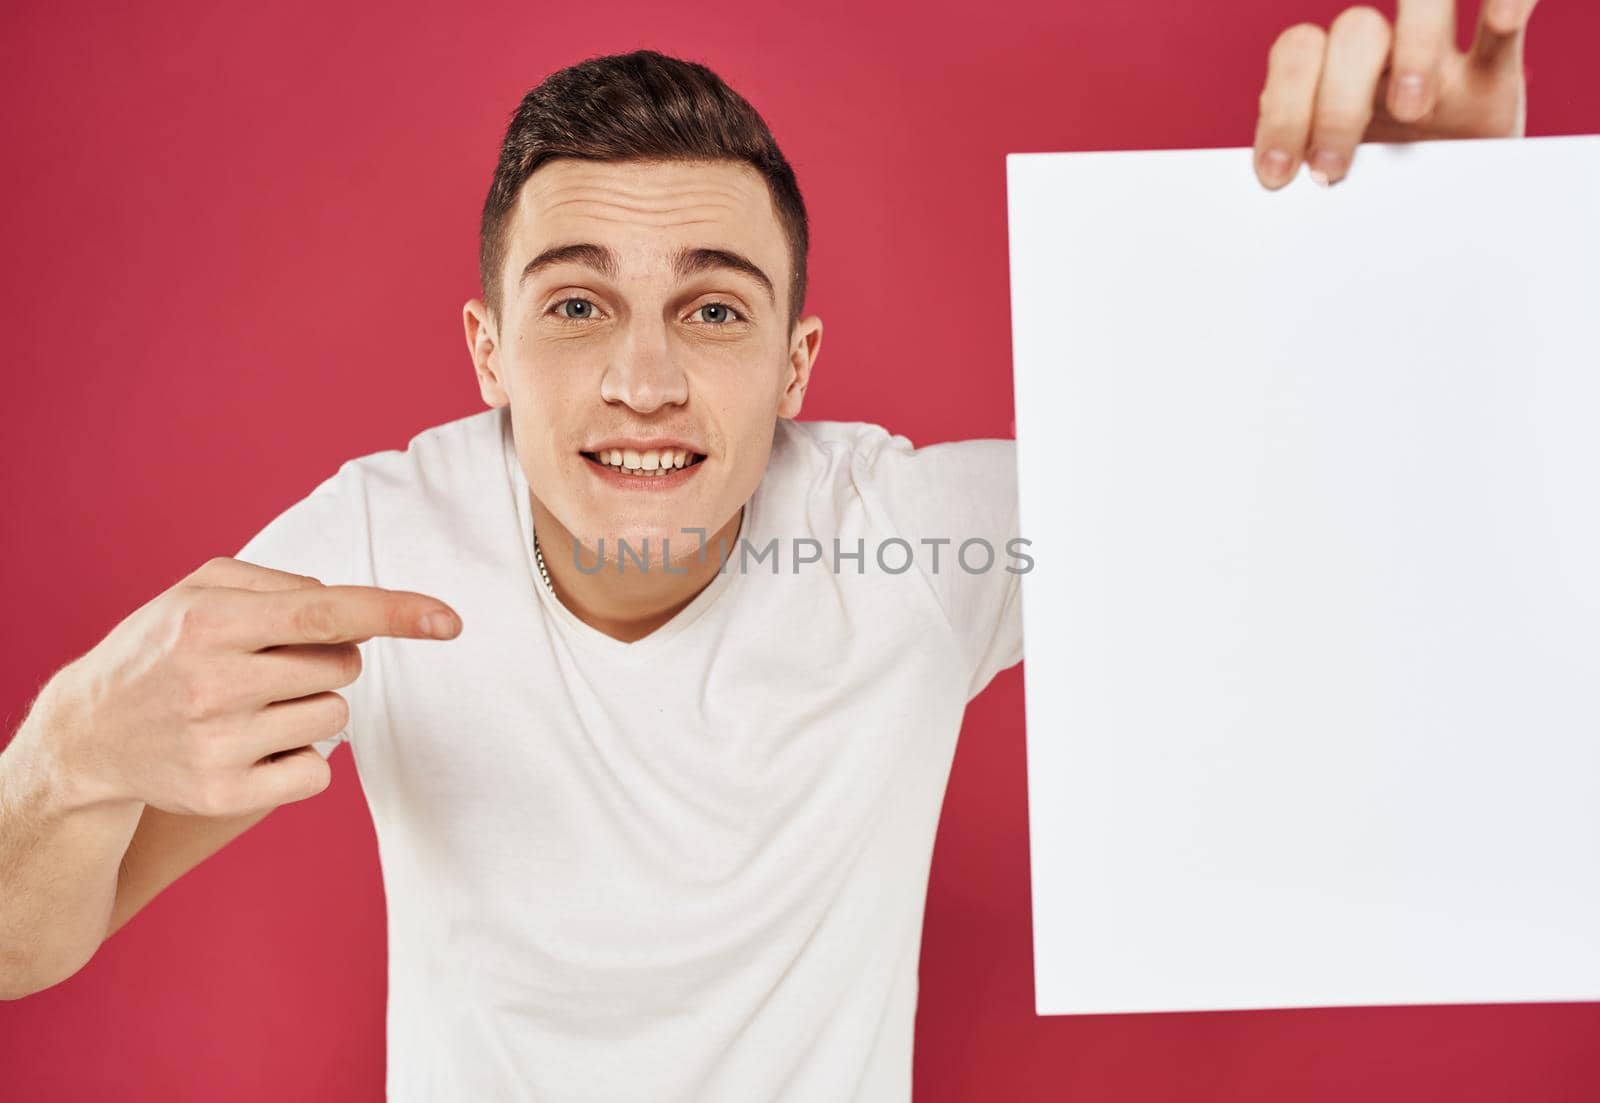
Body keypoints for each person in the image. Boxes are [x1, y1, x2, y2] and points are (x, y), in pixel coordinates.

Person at [0, 5, 1540, 1099]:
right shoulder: (378, 549)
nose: (646, 379)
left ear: (799, 368)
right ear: (487, 353)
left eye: (715, 308)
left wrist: (1434, 244)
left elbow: (1370, 535)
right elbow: (18, 955)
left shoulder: (919, 539)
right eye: (580, 304)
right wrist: (68, 746)